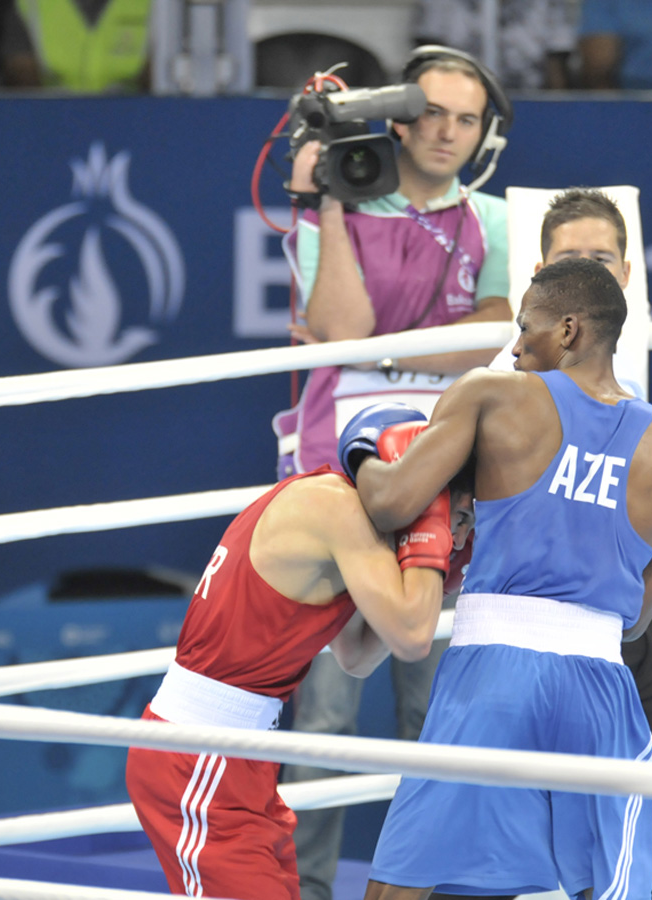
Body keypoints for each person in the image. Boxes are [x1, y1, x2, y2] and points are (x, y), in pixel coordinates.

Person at [346, 257, 652, 899]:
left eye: (525, 328)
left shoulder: (493, 395)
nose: (514, 347)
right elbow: (638, 616)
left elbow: (391, 502)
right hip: (603, 691)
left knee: (402, 887)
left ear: (568, 330)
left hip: (493, 678)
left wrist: (362, 445)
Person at [276, 44, 513, 900]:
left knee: (430, 710)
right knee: (328, 719)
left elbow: (496, 337)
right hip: (333, 484)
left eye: (467, 118)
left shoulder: (497, 223)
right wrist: (330, 205)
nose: (445, 131)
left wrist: (381, 353)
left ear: (486, 132)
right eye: (431, 112)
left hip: (444, 482)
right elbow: (340, 330)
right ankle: (305, 893)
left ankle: (423, 890)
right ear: (397, 117)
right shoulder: (328, 209)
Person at [125, 425, 476, 900]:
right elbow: (415, 638)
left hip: (241, 759)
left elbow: (357, 656)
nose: (455, 539)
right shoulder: (335, 508)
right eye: (455, 517)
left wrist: (429, 574)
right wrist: (426, 548)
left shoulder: (350, 519)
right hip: (198, 757)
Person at [516, 189, 652, 900]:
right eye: (570, 260)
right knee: (499, 837)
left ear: (625, 275)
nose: (588, 272)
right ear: (540, 277)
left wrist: (625, 624)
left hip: (621, 646)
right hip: (523, 651)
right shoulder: (502, 399)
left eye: (600, 258)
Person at [411, 0, 577, 90]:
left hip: (530, 102)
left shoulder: (548, 3)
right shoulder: (439, 3)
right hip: (457, 100)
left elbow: (557, 71)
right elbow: (429, 64)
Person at [0, 0, 152, 92]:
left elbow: (160, 78)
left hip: (131, 123)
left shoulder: (156, 5)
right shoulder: (31, 4)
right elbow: (21, 79)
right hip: (53, 123)